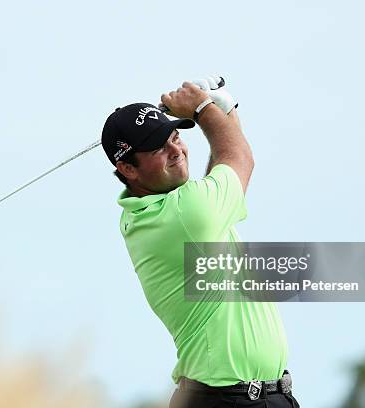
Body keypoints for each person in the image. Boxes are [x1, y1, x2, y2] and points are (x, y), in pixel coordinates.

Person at [101, 78, 300, 408]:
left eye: (176, 136)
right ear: (127, 168)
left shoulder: (170, 212)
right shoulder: (182, 215)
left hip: (254, 398)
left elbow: (224, 164)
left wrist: (224, 110)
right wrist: (205, 108)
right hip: (227, 400)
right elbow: (237, 157)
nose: (176, 151)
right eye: (157, 148)